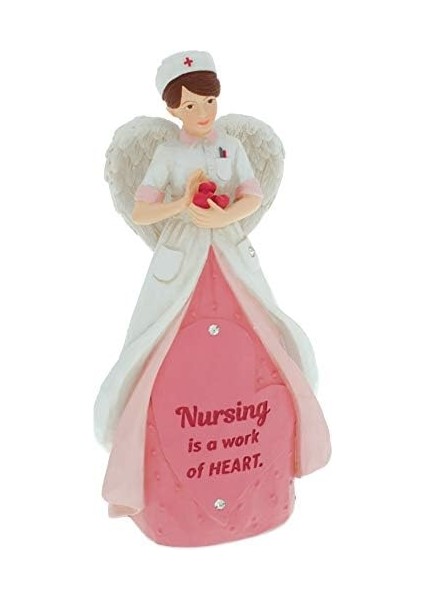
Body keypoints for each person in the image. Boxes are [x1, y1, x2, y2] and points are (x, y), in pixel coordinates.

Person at [95, 50, 331, 546]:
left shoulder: (232, 145)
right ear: (172, 109)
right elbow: (142, 210)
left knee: (262, 336)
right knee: (162, 347)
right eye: (190, 104)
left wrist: (226, 216)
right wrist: (181, 203)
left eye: (208, 100)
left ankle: (260, 471)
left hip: (229, 252)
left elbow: (252, 195)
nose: (202, 111)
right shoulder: (166, 154)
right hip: (182, 259)